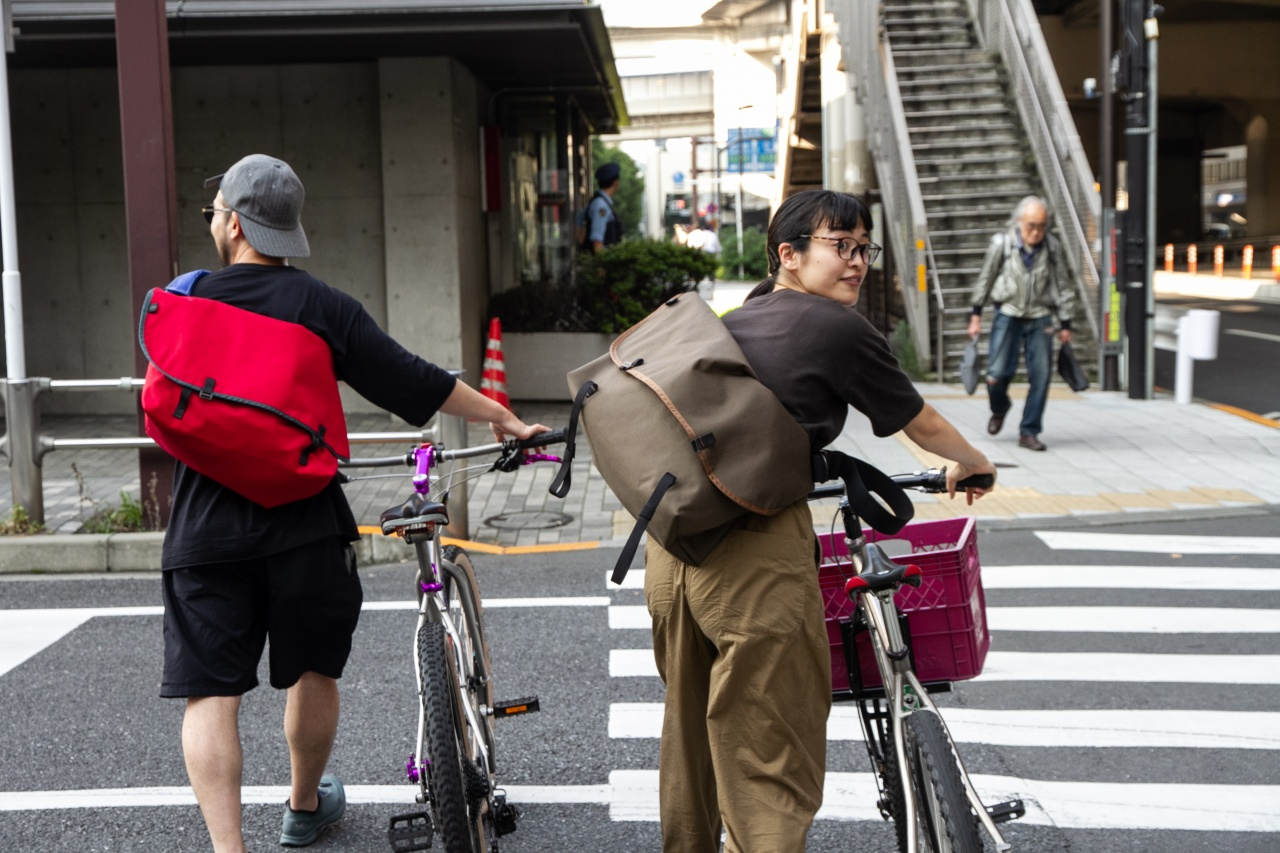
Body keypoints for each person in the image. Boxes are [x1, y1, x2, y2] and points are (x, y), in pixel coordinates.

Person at [163, 153, 547, 853]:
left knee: (211, 693)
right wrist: (502, 415)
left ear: (235, 222)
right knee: (312, 667)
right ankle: (304, 805)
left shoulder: (184, 297)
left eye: (215, 210)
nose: (212, 220)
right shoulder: (321, 307)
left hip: (205, 524)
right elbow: (414, 381)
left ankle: (228, 849)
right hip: (305, 521)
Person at [643, 189, 996, 852]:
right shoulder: (836, 326)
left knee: (689, 730)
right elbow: (920, 423)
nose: (857, 262)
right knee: (768, 739)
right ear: (789, 254)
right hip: (752, 543)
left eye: (864, 247)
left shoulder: (739, 317)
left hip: (671, 547)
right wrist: (974, 463)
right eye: (841, 246)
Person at [967, 195, 1075, 451]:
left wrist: (1066, 323)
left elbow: (1063, 284)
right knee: (995, 375)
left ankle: (1029, 431)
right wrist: (975, 314)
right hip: (1007, 313)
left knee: (1041, 375)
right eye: (1031, 226)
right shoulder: (1002, 244)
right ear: (1018, 222)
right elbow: (986, 278)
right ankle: (1000, 407)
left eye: (1041, 226)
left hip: (1040, 316)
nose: (1036, 232)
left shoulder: (1052, 246)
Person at [582, 161, 624, 253]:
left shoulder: (598, 201)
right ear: (615, 182)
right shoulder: (601, 206)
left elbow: (579, 225)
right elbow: (597, 241)